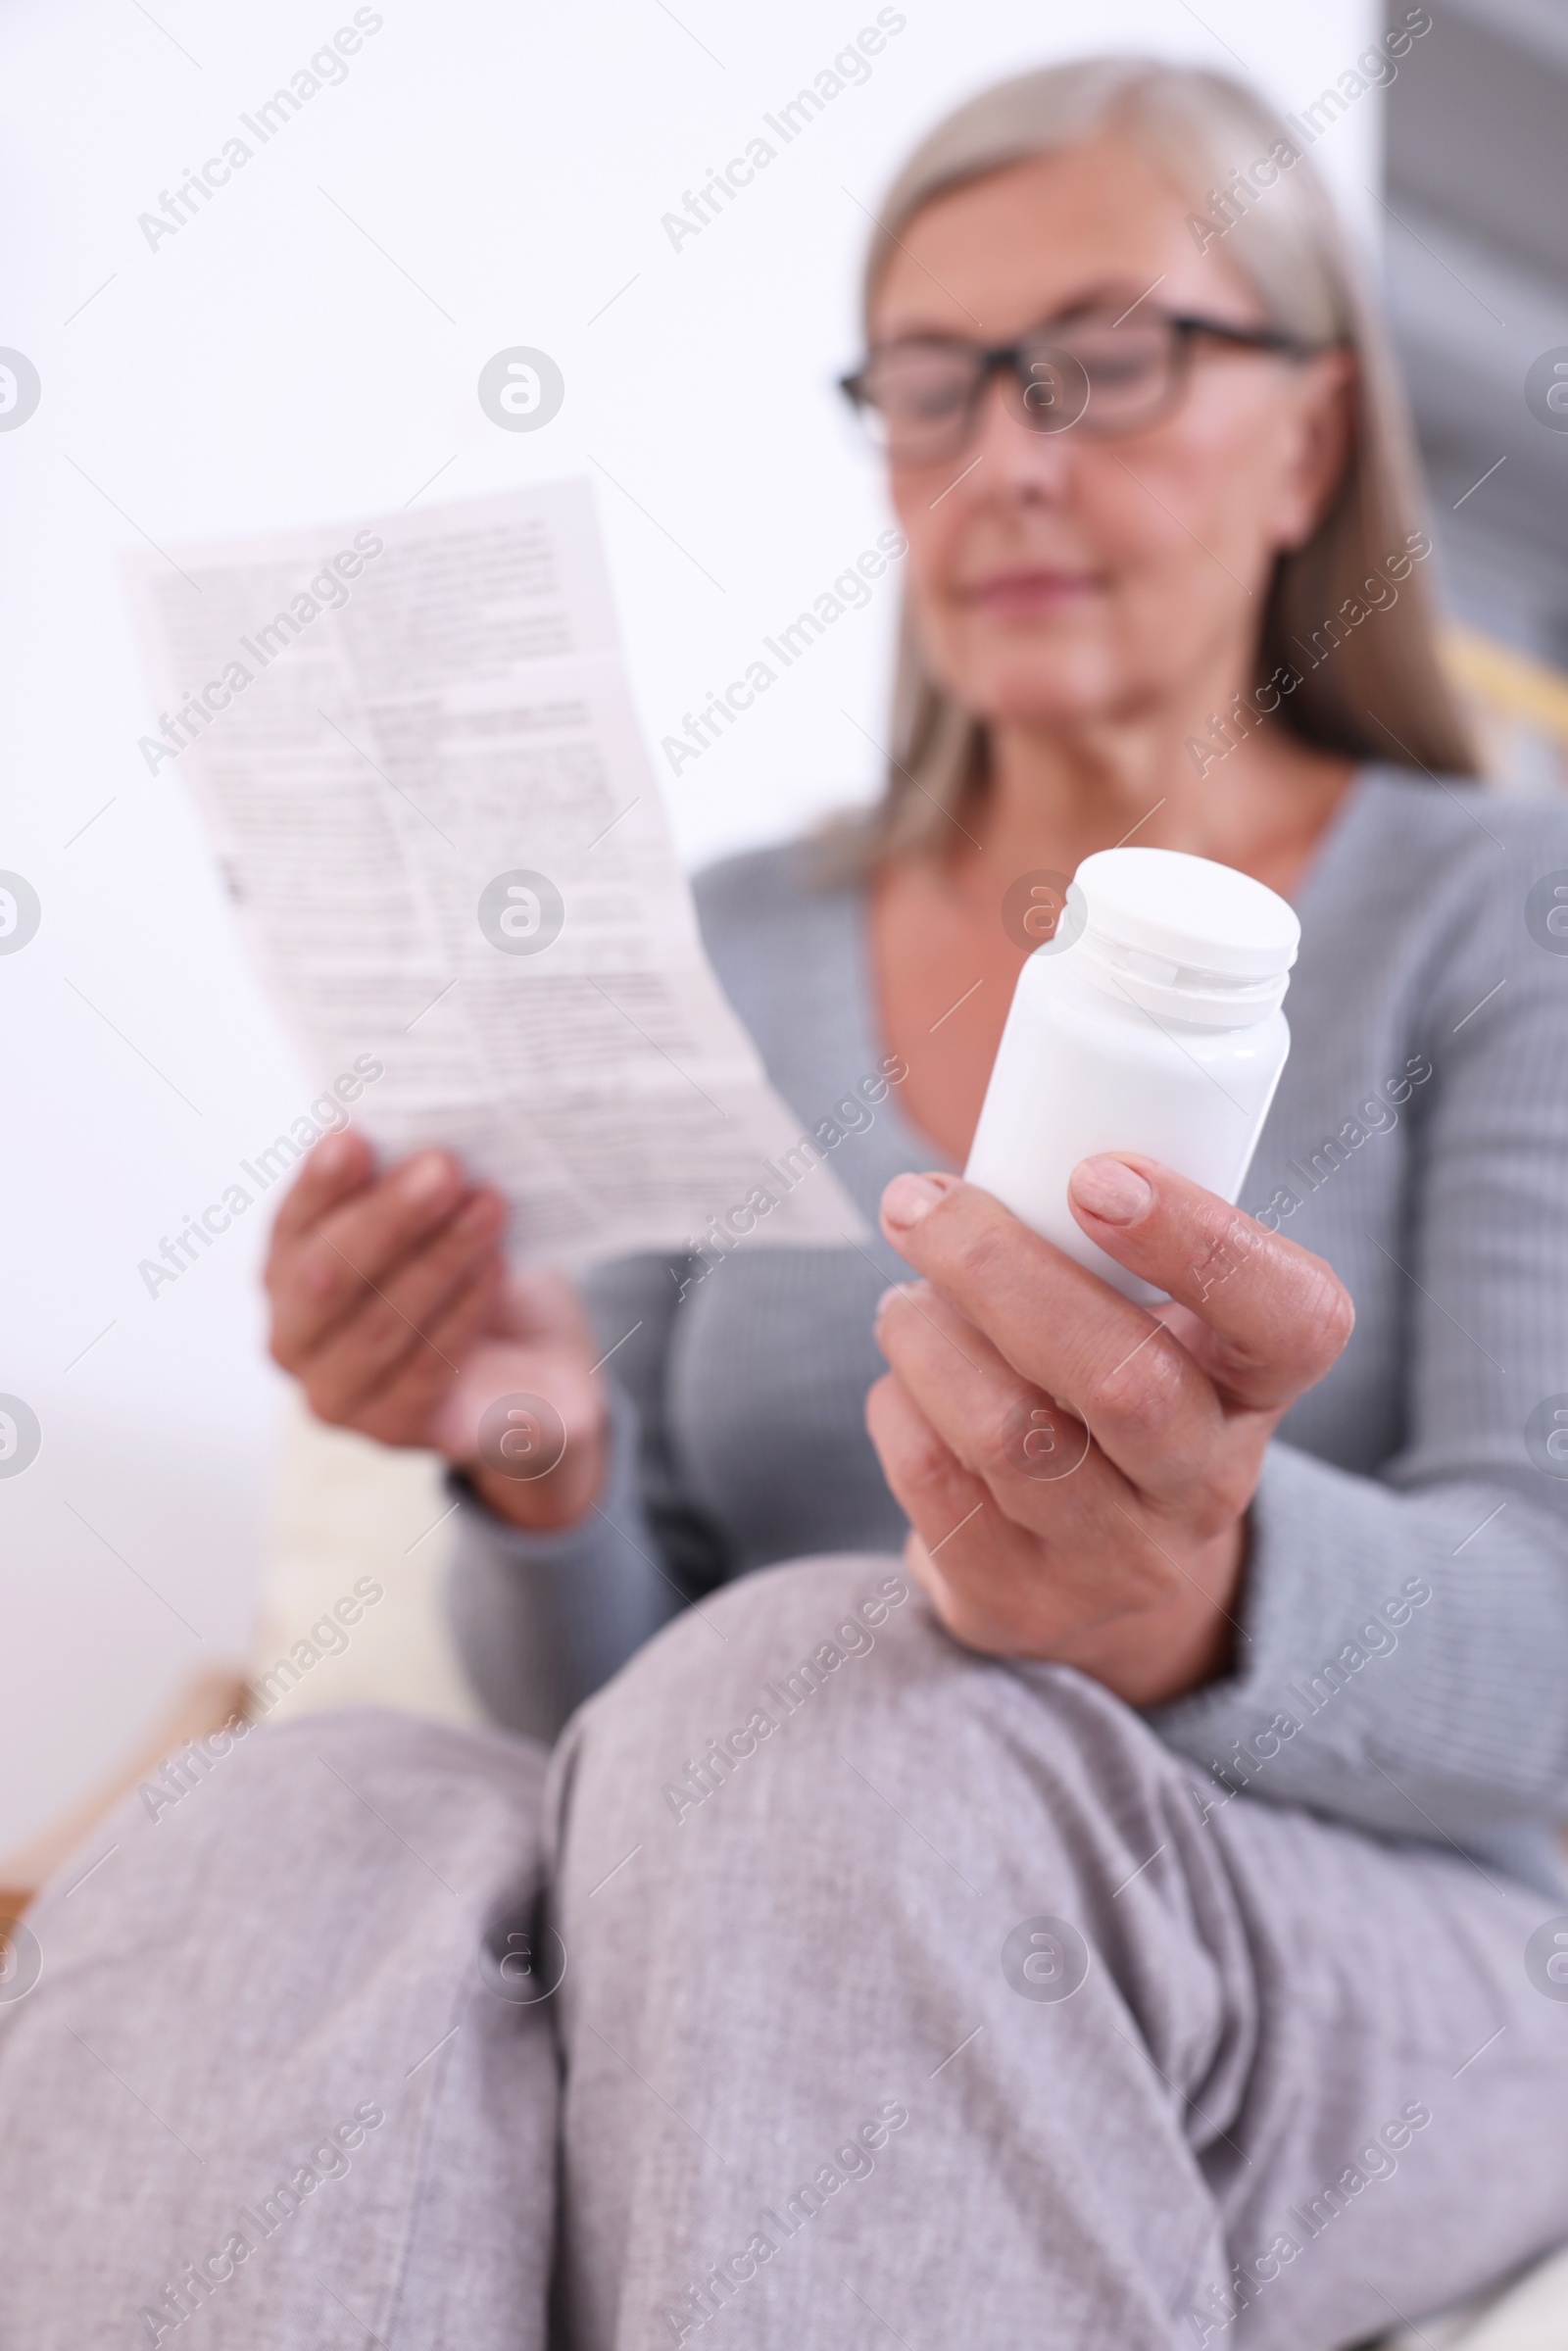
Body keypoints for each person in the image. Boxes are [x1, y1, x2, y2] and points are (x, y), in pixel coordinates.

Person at [5, 54, 1568, 2351]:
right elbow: (622, 1728)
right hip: (766, 1860)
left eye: (1102, 364)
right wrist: (538, 1460)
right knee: (277, 1824)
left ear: (1308, 435)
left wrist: (1188, 1600)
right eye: (927, 390)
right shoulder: (726, 941)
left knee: (824, 1717)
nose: (1004, 458)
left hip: (1347, 1927)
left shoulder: (1500, 913)